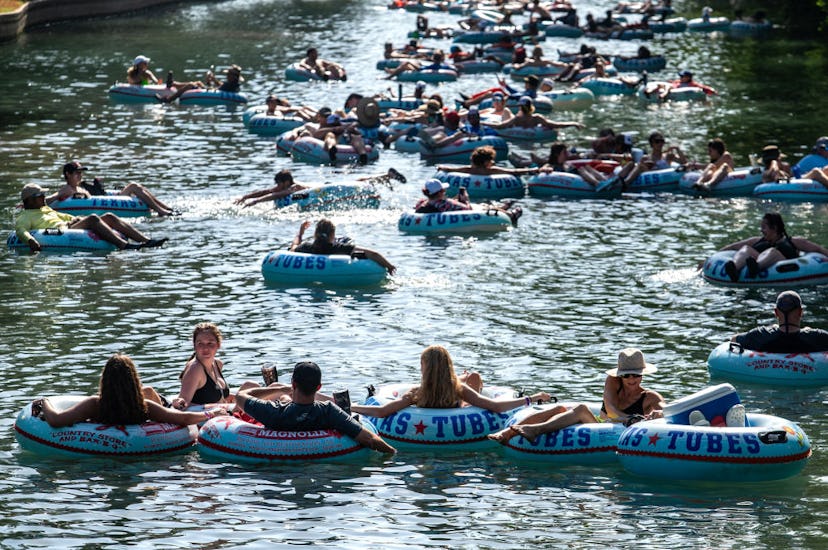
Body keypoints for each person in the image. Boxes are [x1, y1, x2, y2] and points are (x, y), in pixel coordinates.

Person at [488, 348, 665, 444]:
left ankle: (535, 430)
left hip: (613, 436)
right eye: (627, 375)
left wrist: (656, 415)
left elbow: (665, 414)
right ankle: (507, 433)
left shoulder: (650, 397)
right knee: (559, 408)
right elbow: (610, 410)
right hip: (600, 424)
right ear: (620, 375)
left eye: (636, 374)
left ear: (642, 375)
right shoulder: (613, 382)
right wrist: (629, 418)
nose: (631, 379)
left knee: (580, 409)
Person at [235, 361, 395, 454]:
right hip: (322, 465)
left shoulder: (273, 411)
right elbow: (370, 439)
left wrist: (278, 389)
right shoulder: (328, 411)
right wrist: (393, 453)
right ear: (319, 387)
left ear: (293, 384)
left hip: (277, 466)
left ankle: (281, 391)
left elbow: (242, 395)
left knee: (283, 400)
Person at [350, 345, 552, 417]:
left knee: (471, 379)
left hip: (423, 435)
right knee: (474, 379)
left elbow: (382, 411)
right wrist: (530, 399)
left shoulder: (416, 393)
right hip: (459, 422)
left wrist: (352, 407)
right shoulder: (458, 389)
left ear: (424, 368)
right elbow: (496, 407)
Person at [35, 354, 229, 428]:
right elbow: (184, 419)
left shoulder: (95, 405)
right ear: (134, 381)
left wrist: (44, 402)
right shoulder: (144, 407)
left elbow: (57, 420)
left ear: (105, 380)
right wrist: (211, 413)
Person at [15, 183, 167, 252]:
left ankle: (146, 241)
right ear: (30, 200)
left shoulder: (45, 208)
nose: (44, 197)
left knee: (109, 216)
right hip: (61, 232)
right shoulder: (25, 216)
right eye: (40, 195)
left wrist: (76, 219)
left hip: (70, 226)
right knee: (94, 218)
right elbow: (21, 230)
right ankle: (123, 245)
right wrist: (31, 240)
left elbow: (64, 216)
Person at [719, 212, 828, 282]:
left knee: (772, 251)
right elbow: (733, 247)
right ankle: (734, 269)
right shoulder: (757, 241)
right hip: (758, 260)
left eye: (764, 227)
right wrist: (709, 259)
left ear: (774, 228)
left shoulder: (793, 242)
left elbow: (818, 249)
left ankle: (756, 267)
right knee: (745, 249)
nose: (761, 230)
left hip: (785, 266)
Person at [49, 161, 178, 217]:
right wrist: (56, 197)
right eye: (77, 173)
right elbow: (49, 200)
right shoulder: (66, 189)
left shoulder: (80, 186)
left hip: (105, 199)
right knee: (133, 186)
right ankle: (161, 210)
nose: (80, 175)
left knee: (137, 186)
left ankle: (165, 208)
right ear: (68, 175)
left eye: (80, 173)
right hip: (103, 203)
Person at [731, 291, 828, 353]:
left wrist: (772, 328)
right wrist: (807, 331)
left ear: (776, 312)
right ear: (801, 312)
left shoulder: (761, 335)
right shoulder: (816, 337)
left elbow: (734, 340)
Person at [290, 219, 396, 275]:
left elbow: (293, 247)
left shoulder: (306, 247)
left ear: (315, 233)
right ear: (332, 235)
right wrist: (390, 266)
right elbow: (373, 254)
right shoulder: (339, 248)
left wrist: (300, 233)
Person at [171, 323, 239, 410]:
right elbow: (183, 404)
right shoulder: (195, 369)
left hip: (223, 414)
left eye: (210, 343)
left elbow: (215, 394)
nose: (205, 348)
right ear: (194, 345)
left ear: (218, 345)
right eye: (200, 343)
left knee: (250, 386)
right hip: (204, 418)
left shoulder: (217, 364)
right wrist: (179, 402)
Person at [620, 131, 687, 186]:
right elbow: (638, 171)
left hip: (665, 179)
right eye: (657, 141)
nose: (660, 143)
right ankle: (620, 181)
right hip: (650, 181)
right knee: (632, 164)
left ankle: (625, 183)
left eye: (662, 141)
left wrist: (677, 149)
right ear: (652, 144)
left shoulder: (668, 156)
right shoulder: (646, 158)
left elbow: (684, 163)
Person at [436, 145, 537, 177]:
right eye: (491, 160)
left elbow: (454, 169)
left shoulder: (470, 170)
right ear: (485, 163)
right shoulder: (490, 170)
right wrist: (530, 170)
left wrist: (442, 168)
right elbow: (512, 172)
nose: (493, 162)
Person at [234, 169, 309, 207]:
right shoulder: (283, 187)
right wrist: (246, 197)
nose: (277, 186)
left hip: (309, 195)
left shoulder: (295, 187)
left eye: (279, 184)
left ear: (286, 182)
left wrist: (256, 201)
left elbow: (277, 195)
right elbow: (266, 192)